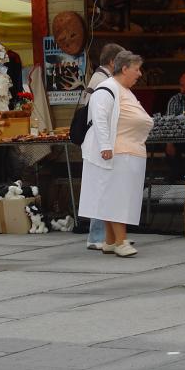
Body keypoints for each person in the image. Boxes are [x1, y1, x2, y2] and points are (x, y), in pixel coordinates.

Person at [79, 50, 153, 257]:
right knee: (116, 198)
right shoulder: (107, 88)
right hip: (115, 152)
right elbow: (100, 118)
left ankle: (111, 240)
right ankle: (120, 242)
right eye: (137, 69)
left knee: (116, 196)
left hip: (126, 151)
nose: (140, 74)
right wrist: (105, 146)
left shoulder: (123, 89)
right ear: (125, 68)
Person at [81, 42, 125, 250]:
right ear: (113, 62)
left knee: (102, 188)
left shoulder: (101, 79)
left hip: (100, 140)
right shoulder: (103, 81)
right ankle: (97, 236)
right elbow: (99, 116)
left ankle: (106, 236)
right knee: (101, 188)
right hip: (99, 142)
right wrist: (106, 145)